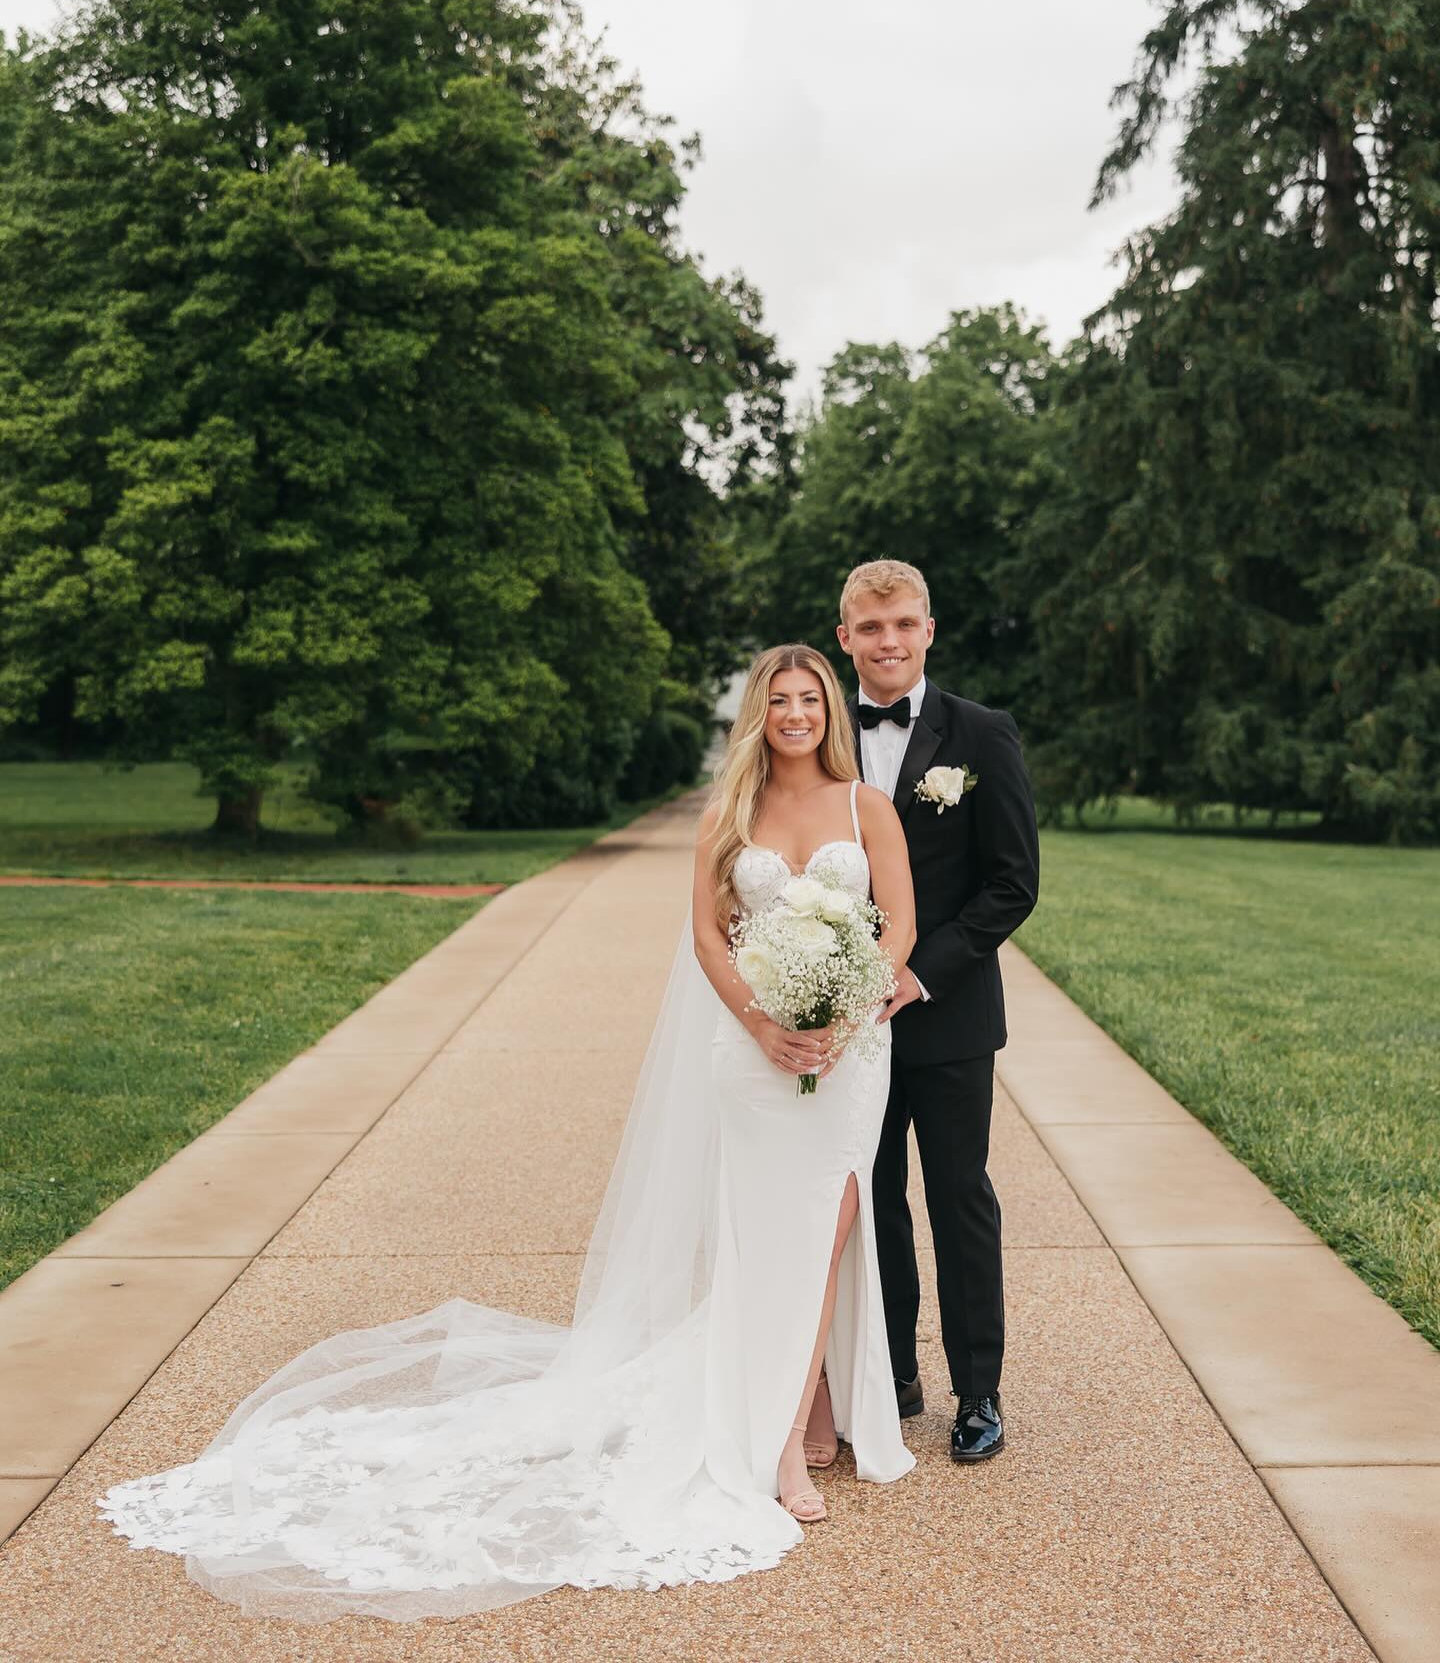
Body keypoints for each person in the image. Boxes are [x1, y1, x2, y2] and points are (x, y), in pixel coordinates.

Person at [97, 644, 916, 1623]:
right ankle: (783, 1441)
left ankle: (795, 1418)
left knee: (822, 1234)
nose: (795, 714)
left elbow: (897, 925)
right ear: (758, 712)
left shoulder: (869, 809)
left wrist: (845, 1007)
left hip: (848, 1049)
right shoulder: (727, 814)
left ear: (830, 710)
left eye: (810, 699)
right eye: (778, 699)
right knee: (757, 1241)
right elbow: (706, 936)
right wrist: (763, 1023)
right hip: (750, 1050)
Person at [837, 559, 1040, 1464]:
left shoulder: (983, 734)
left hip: (950, 1014)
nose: (889, 642)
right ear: (845, 636)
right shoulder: (816, 732)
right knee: (871, 1199)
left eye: (905, 625)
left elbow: (1011, 885)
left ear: (929, 629)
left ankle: (978, 1392)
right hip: (845, 1021)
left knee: (960, 1197)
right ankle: (890, 1374)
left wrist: (922, 972)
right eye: (871, 628)